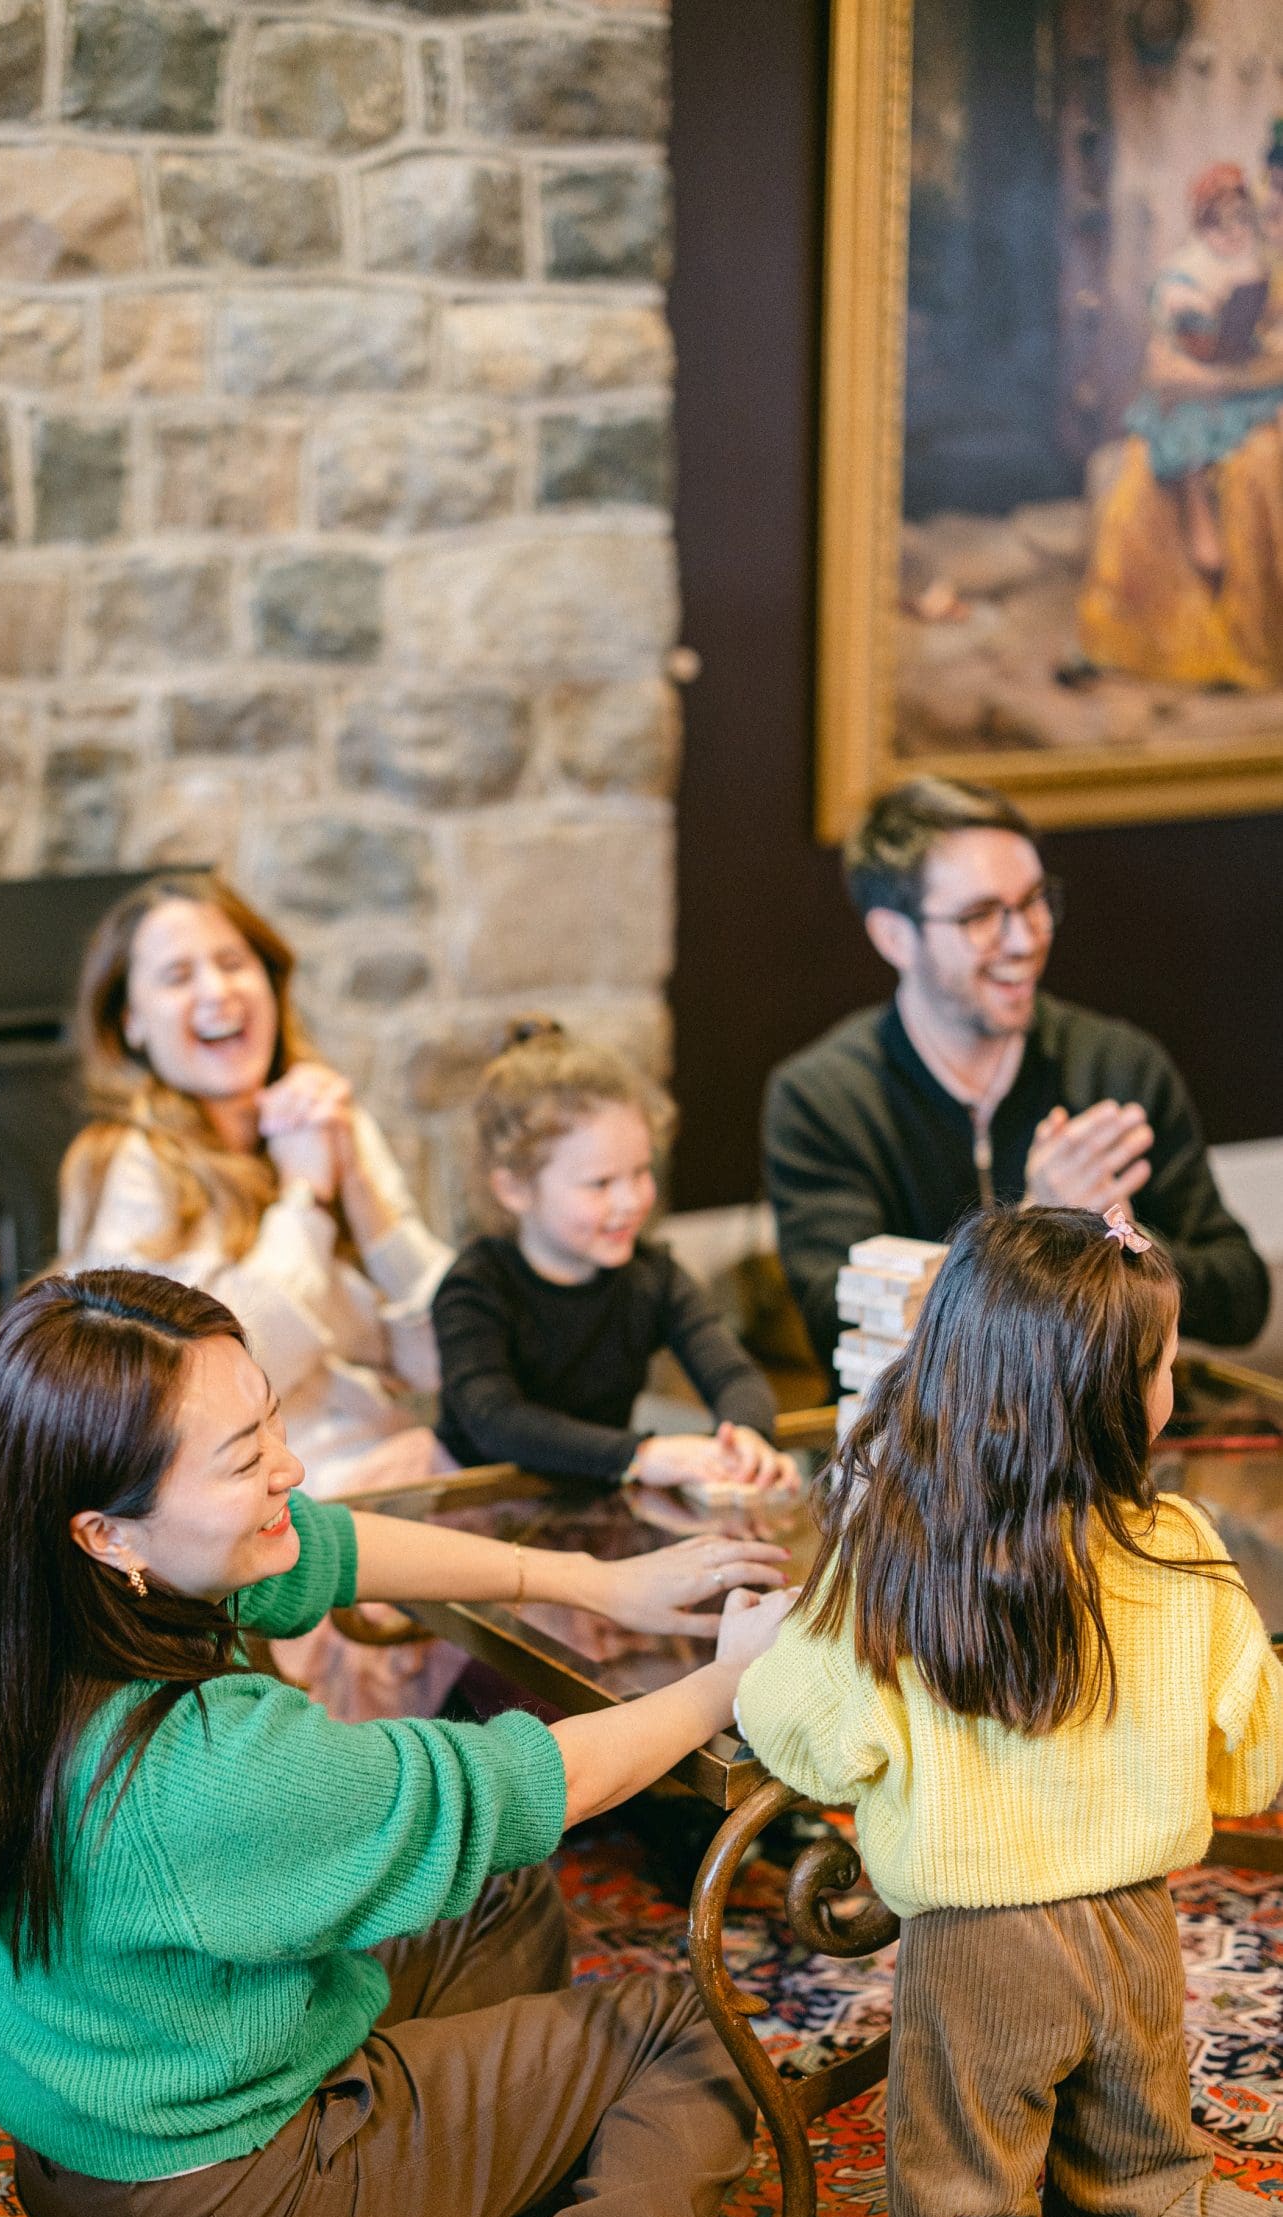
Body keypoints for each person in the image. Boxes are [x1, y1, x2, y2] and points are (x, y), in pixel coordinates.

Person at [0, 1265, 830, 2217]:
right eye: (241, 1456)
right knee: (676, 2023)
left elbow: (327, 1548)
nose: (285, 1466)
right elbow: (510, 1788)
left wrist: (594, 1580)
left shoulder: (17, 1600)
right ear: (108, 1527)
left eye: (270, 1419)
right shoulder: (198, 1765)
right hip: (222, 2215)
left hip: (103, 2145)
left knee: (488, 1892)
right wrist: (725, 1681)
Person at [733, 1203, 1283, 2217]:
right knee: (1155, 2200)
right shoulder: (1185, 1545)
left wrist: (763, 1642)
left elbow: (805, 1737)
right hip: (1136, 1930)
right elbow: (1253, 1766)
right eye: (1168, 1367)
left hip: (985, 1949)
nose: (1173, 1386)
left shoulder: (899, 1560)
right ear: (1115, 1395)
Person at [59, 869, 457, 1721]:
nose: (216, 991)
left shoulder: (319, 1122)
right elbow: (196, 1397)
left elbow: (449, 1355)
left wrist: (359, 1189)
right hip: (266, 1497)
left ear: (270, 983)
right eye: (177, 975)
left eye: (233, 962)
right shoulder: (130, 1162)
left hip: (389, 1454)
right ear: (129, 1023)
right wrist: (305, 1202)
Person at [764, 776, 1269, 1372]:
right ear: (894, 936)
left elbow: (1243, 1300)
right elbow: (840, 1324)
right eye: (981, 916)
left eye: (1033, 901)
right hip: (914, 1450)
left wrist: (1124, 1244)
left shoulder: (1117, 1066)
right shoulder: (824, 1098)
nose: (1026, 939)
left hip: (1103, 1438)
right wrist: (1039, 1232)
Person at [435, 1023, 795, 1495]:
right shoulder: (475, 1289)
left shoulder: (653, 1275)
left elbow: (731, 1373)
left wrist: (744, 1435)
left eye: (640, 1172)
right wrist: (640, 1455)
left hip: (596, 1497)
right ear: (515, 1188)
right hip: (482, 1503)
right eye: (601, 1183)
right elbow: (496, 1420)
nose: (631, 1201)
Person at [1079, 158, 1283, 690]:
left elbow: (1263, 345)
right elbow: (1178, 337)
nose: (1236, 231)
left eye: (1243, 220)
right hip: (1195, 385)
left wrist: (1235, 356)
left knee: (1247, 445)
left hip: (1238, 388)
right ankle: (1197, 522)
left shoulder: (1253, 265)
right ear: (1203, 224)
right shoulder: (1188, 270)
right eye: (1224, 222)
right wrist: (1201, 357)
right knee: (1173, 436)